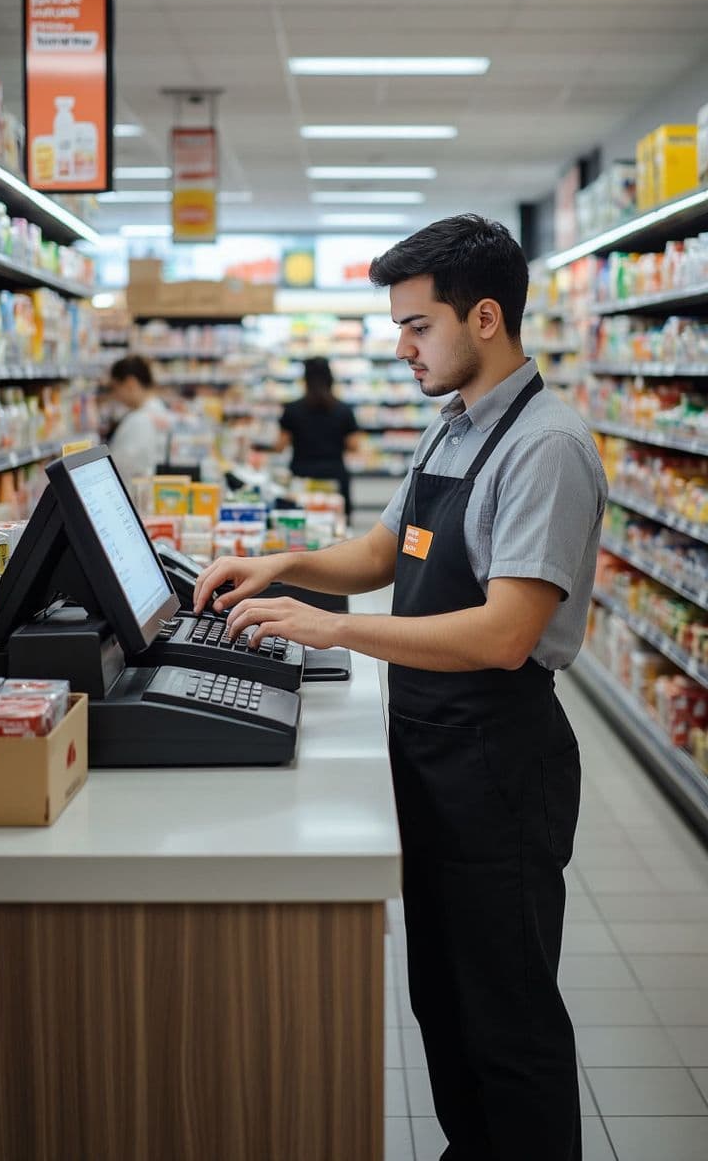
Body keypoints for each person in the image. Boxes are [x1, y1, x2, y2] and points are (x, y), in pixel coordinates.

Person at [194, 214, 607, 1161]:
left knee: (509, 1023)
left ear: (487, 318)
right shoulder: (452, 426)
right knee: (446, 1001)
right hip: (432, 746)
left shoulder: (544, 446)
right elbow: (385, 551)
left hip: (499, 759)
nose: (404, 347)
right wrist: (280, 564)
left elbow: (507, 636)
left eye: (418, 326)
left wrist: (333, 628)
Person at [277, 355, 360, 523]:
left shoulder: (292, 409)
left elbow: (280, 445)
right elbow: (354, 445)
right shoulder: (344, 410)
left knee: (301, 526)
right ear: (330, 379)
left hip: (301, 476)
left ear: (305, 380)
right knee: (336, 529)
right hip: (334, 475)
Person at [108, 354, 172, 492]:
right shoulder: (158, 408)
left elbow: (120, 471)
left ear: (130, 383)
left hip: (136, 497)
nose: (115, 395)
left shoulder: (138, 420)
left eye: (115, 387)